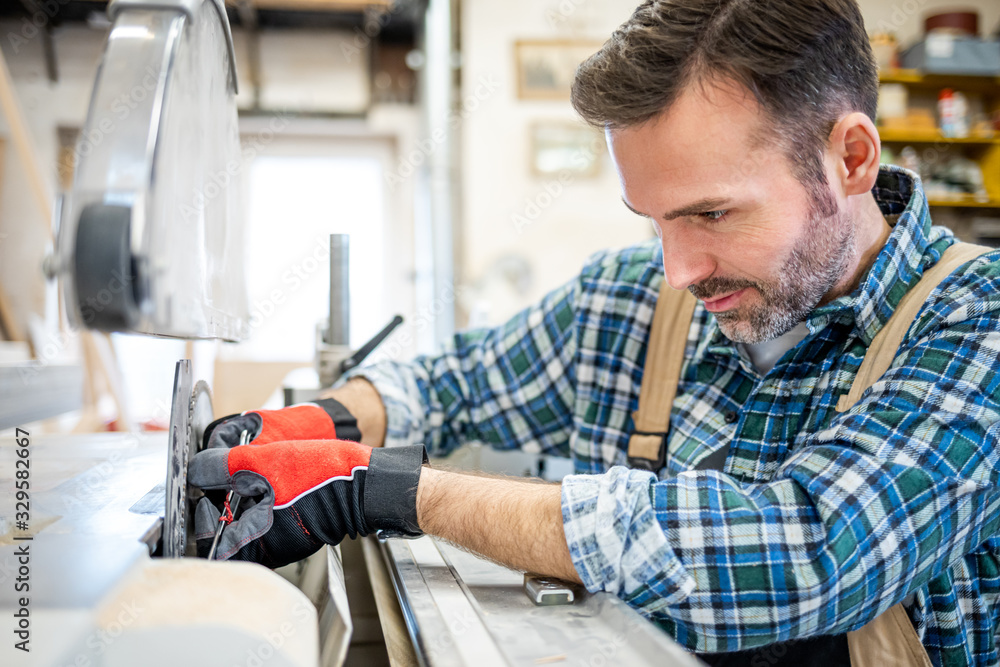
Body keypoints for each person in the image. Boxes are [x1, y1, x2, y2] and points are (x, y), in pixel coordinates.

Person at [188, 0, 1000, 664]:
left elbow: (802, 549)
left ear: (850, 158)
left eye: (711, 213)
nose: (678, 269)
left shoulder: (976, 322)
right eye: (653, 221)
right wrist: (320, 424)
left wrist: (386, 490)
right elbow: (454, 382)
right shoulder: (631, 298)